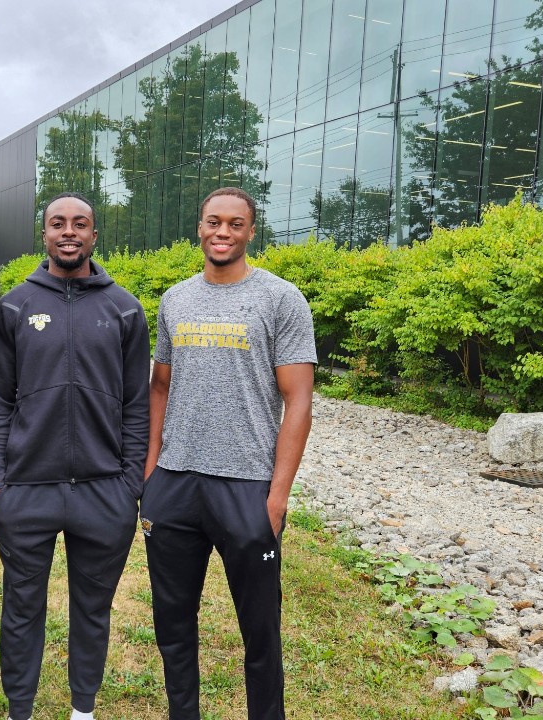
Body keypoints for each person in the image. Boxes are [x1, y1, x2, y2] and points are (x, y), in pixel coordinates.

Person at [141, 187, 316, 720]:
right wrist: (151, 472)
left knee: (260, 634)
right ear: (199, 227)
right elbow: (160, 389)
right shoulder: (176, 299)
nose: (223, 232)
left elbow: (299, 399)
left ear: (250, 231)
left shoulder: (281, 299)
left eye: (235, 224)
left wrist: (278, 495)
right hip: (175, 485)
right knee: (172, 625)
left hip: (247, 487)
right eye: (214, 222)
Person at [0, 192, 149, 720]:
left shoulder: (124, 308)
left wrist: (130, 485)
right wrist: (0, 479)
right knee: (21, 608)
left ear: (95, 236)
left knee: (92, 610)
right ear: (45, 233)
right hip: (26, 490)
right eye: (59, 224)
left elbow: (137, 405)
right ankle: (20, 710)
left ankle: (83, 710)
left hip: (104, 493)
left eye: (80, 224)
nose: (69, 232)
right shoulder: (14, 306)